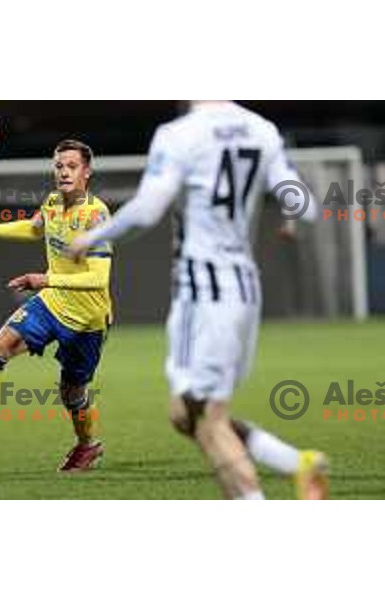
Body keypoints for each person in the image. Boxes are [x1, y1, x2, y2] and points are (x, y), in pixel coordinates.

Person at [70, 101, 328, 499]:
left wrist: (92, 237)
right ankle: (297, 464)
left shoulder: (180, 135)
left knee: (208, 419)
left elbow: (146, 210)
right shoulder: (261, 129)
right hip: (245, 288)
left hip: (204, 290)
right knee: (185, 413)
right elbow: (304, 206)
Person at [0, 139, 112, 472]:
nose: (64, 172)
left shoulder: (96, 215)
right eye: (59, 166)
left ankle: (87, 446)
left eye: (72, 166)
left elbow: (98, 279)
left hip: (88, 319)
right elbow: (32, 227)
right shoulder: (54, 202)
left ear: (87, 172)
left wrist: (45, 279)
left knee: (72, 394)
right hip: (51, 304)